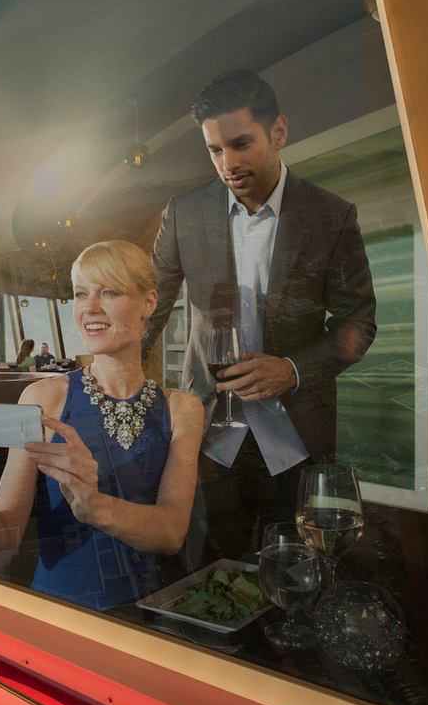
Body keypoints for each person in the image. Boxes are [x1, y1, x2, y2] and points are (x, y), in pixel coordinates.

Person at [144, 70, 377, 561]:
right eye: (215, 150)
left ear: (279, 133)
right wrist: (104, 384)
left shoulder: (331, 216)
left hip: (294, 439)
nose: (228, 163)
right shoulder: (184, 212)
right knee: (203, 568)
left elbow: (359, 322)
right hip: (207, 435)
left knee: (294, 577)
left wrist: (291, 370)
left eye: (241, 144)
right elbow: (149, 306)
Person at [0, 241, 205, 609]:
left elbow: (172, 532)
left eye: (109, 291)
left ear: (149, 303)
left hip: (158, 617)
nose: (89, 309)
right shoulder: (43, 398)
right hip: (65, 615)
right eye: (80, 294)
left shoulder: (183, 408)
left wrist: (93, 507)